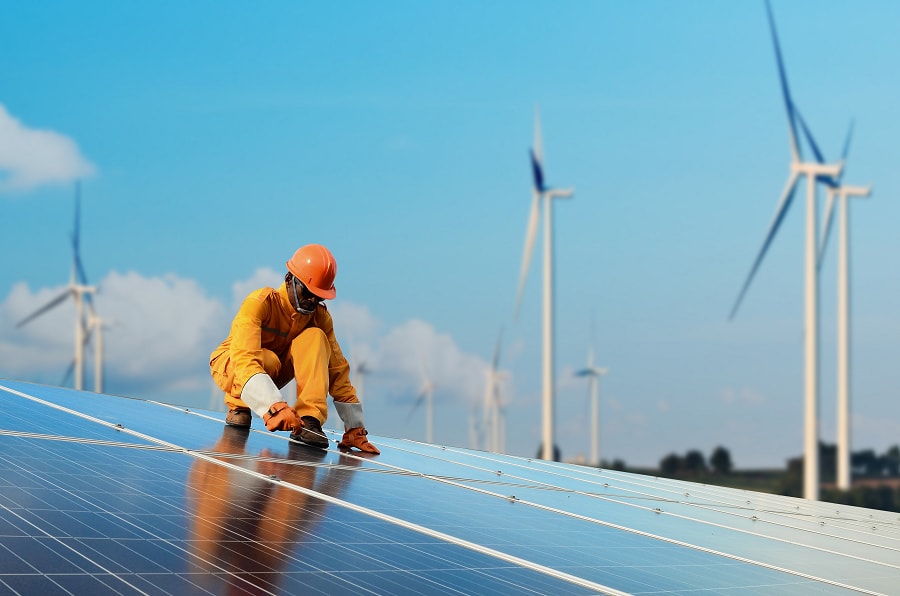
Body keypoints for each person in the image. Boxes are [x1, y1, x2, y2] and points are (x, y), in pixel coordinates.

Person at [209, 243, 379, 454]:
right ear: (289, 279)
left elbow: (337, 371)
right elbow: (245, 358)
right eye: (308, 292)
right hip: (230, 365)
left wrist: (355, 427)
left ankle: (309, 420)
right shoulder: (260, 303)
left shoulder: (319, 317)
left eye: (319, 297)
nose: (312, 301)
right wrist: (274, 406)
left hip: (271, 372)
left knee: (315, 337)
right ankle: (238, 406)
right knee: (267, 359)